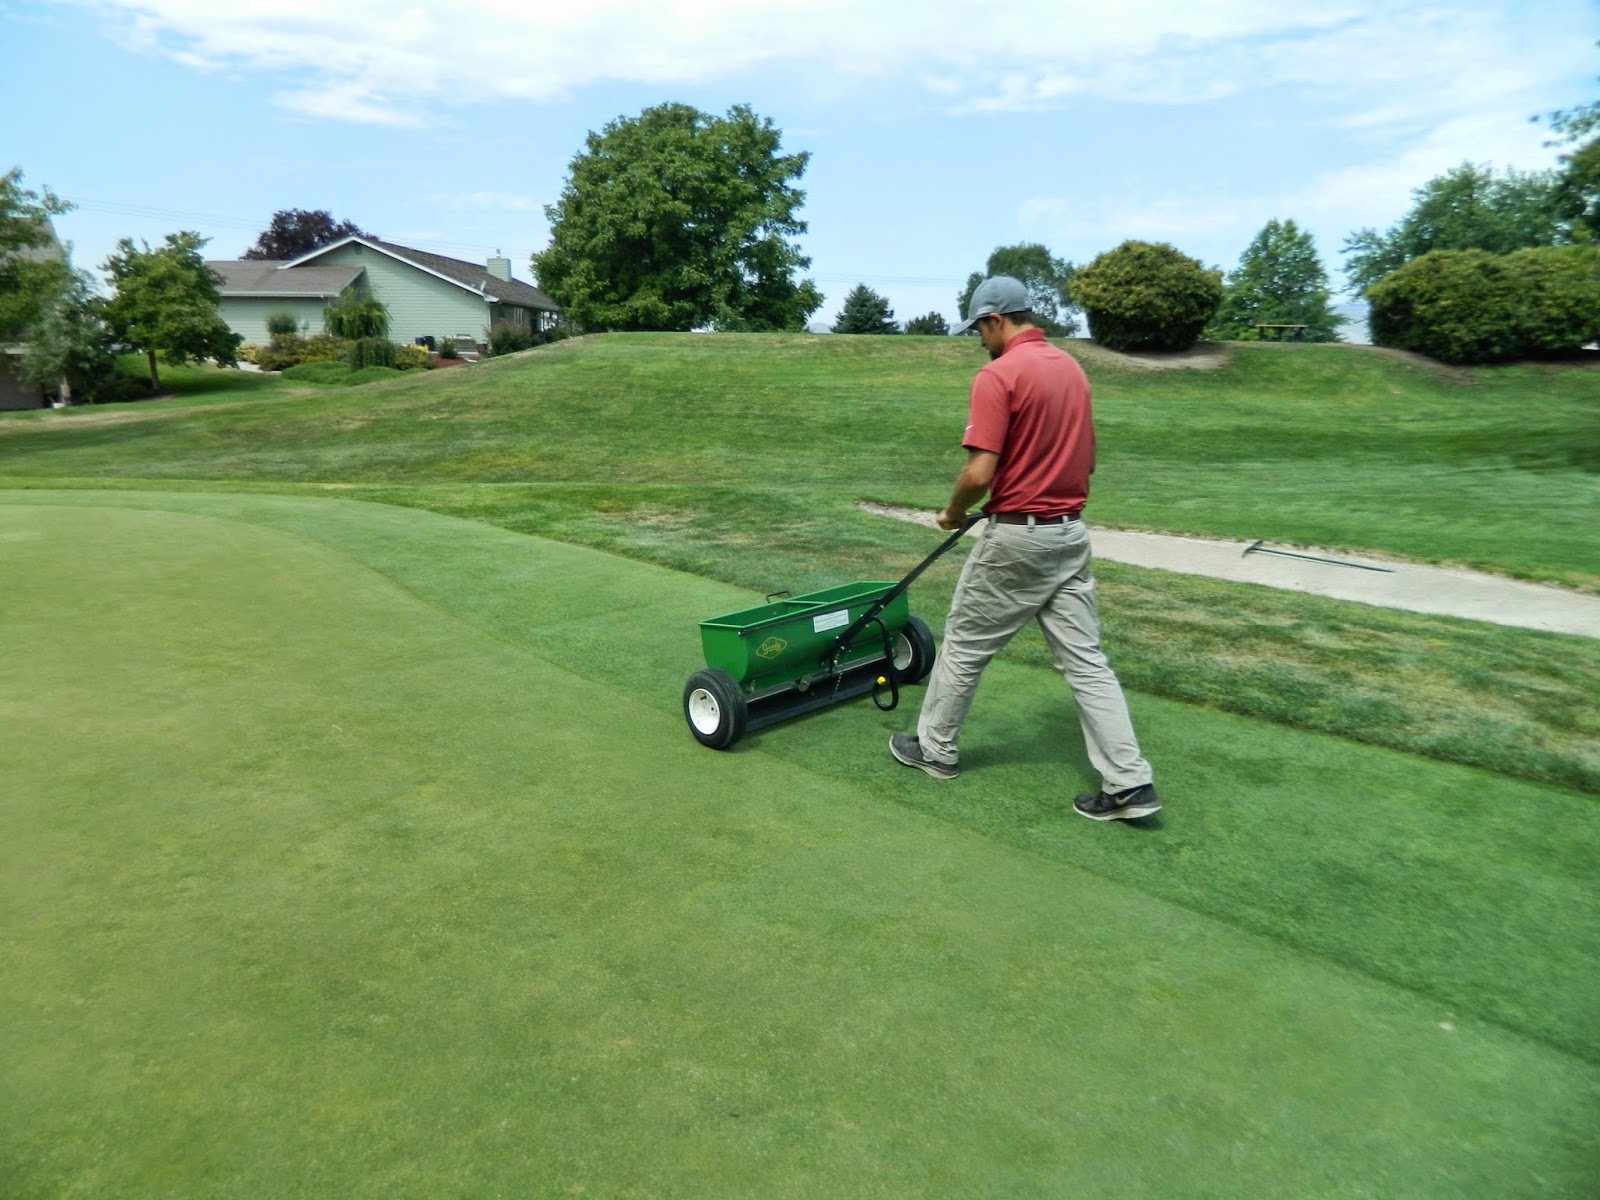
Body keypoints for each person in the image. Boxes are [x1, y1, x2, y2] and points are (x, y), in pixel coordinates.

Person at [888, 276, 1159, 822]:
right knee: (1087, 662)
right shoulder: (1071, 368)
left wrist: (953, 511)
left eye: (978, 330)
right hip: (1071, 534)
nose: (978, 341)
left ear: (995, 319)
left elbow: (979, 471)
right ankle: (1130, 782)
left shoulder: (998, 374)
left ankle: (935, 750)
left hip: (1019, 538)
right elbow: (1089, 459)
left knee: (965, 643)